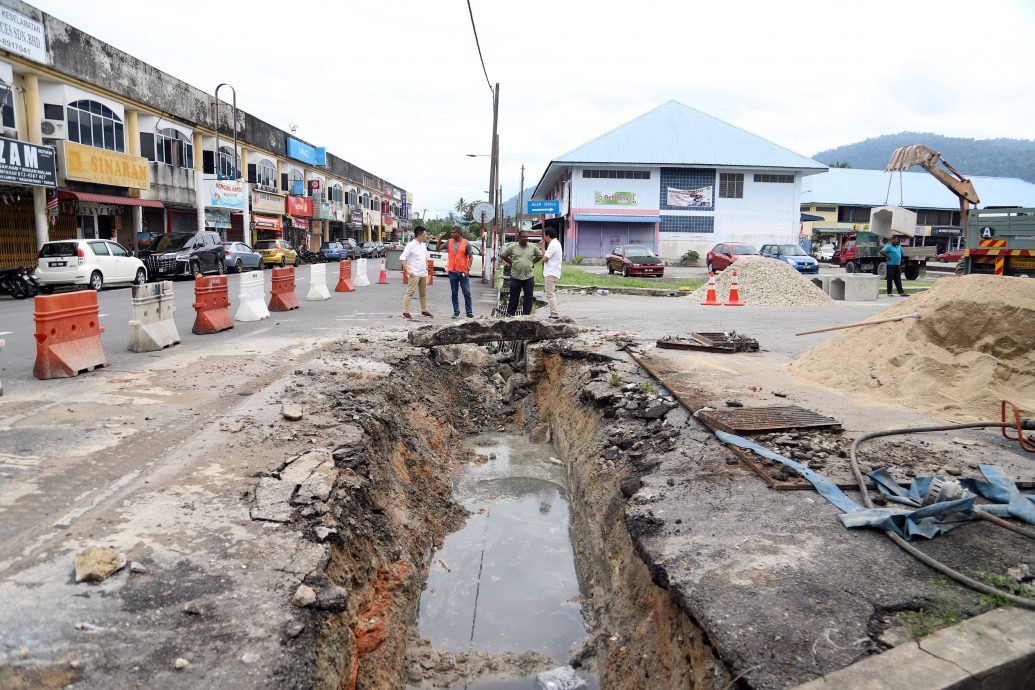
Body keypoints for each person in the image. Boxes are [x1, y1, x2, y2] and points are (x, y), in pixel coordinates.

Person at [500, 230, 543, 316]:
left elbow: (540, 255)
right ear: (519, 238)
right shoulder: (512, 247)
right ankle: (510, 316)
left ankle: (526, 317)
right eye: (523, 237)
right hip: (516, 276)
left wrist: (532, 262)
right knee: (514, 297)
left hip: (528, 277)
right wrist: (512, 262)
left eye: (527, 237)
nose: (525, 238)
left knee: (528, 298)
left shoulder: (532, 247)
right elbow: (503, 255)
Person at [400, 226, 433, 318]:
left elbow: (424, 257)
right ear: (419, 235)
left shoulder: (423, 245)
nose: (426, 236)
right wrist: (408, 271)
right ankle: (405, 311)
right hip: (414, 273)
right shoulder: (410, 245)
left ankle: (424, 310)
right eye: (424, 234)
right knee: (410, 292)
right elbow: (402, 258)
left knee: (423, 293)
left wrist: (426, 267)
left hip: (423, 273)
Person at [446, 225, 474, 318]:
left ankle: (469, 312)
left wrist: (468, 268)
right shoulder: (449, 242)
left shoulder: (466, 243)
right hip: (452, 271)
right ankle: (456, 311)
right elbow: (438, 248)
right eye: (452, 232)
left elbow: (471, 257)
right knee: (454, 292)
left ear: (458, 233)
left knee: (467, 292)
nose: (452, 234)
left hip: (463, 271)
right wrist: (440, 238)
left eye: (453, 232)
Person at [542, 227, 563, 319]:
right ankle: (553, 313)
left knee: (550, 293)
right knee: (550, 293)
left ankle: (554, 314)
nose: (544, 237)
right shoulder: (554, 243)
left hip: (551, 272)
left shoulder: (553, 244)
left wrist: (536, 260)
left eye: (544, 235)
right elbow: (546, 255)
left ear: (548, 235)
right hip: (552, 271)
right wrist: (542, 247)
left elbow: (545, 258)